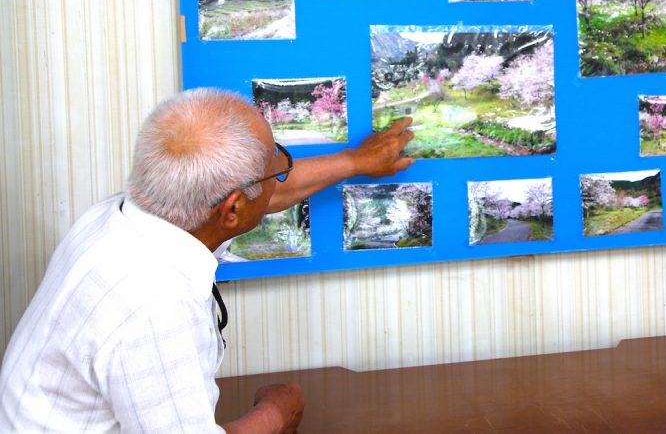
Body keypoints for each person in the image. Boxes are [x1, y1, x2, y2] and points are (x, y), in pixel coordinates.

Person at [0, 88, 414, 433]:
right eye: (275, 162)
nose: (281, 170)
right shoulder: (157, 304)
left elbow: (260, 194)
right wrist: (275, 413)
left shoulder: (123, 215)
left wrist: (355, 161)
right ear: (231, 210)